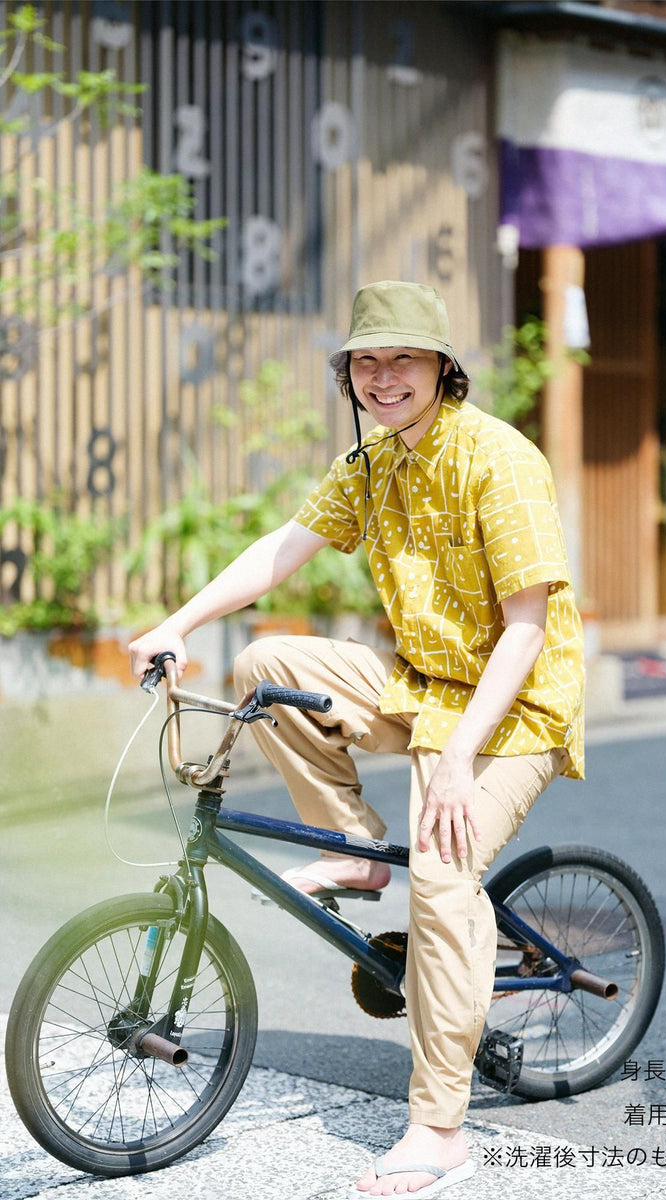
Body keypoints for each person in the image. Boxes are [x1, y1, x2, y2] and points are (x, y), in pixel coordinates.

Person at [129, 280, 585, 1199]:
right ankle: (358, 852)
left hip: (514, 707)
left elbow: (528, 627)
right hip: (420, 687)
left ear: (442, 369)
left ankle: (439, 1128)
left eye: (401, 360)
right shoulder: (371, 464)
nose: (381, 378)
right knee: (267, 665)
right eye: (365, 362)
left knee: (448, 879)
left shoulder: (502, 460)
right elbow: (280, 550)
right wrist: (176, 622)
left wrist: (457, 758)